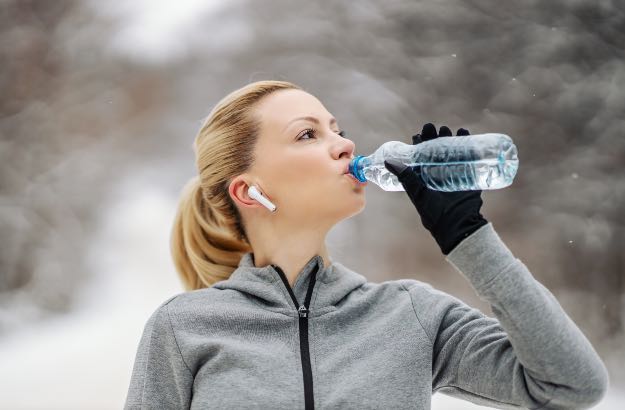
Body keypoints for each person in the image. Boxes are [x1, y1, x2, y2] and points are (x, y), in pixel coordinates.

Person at [123, 80, 609, 409]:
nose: (345, 145)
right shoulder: (184, 328)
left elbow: (571, 384)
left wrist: (469, 237)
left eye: (339, 129)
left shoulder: (410, 315)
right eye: (308, 134)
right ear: (249, 191)